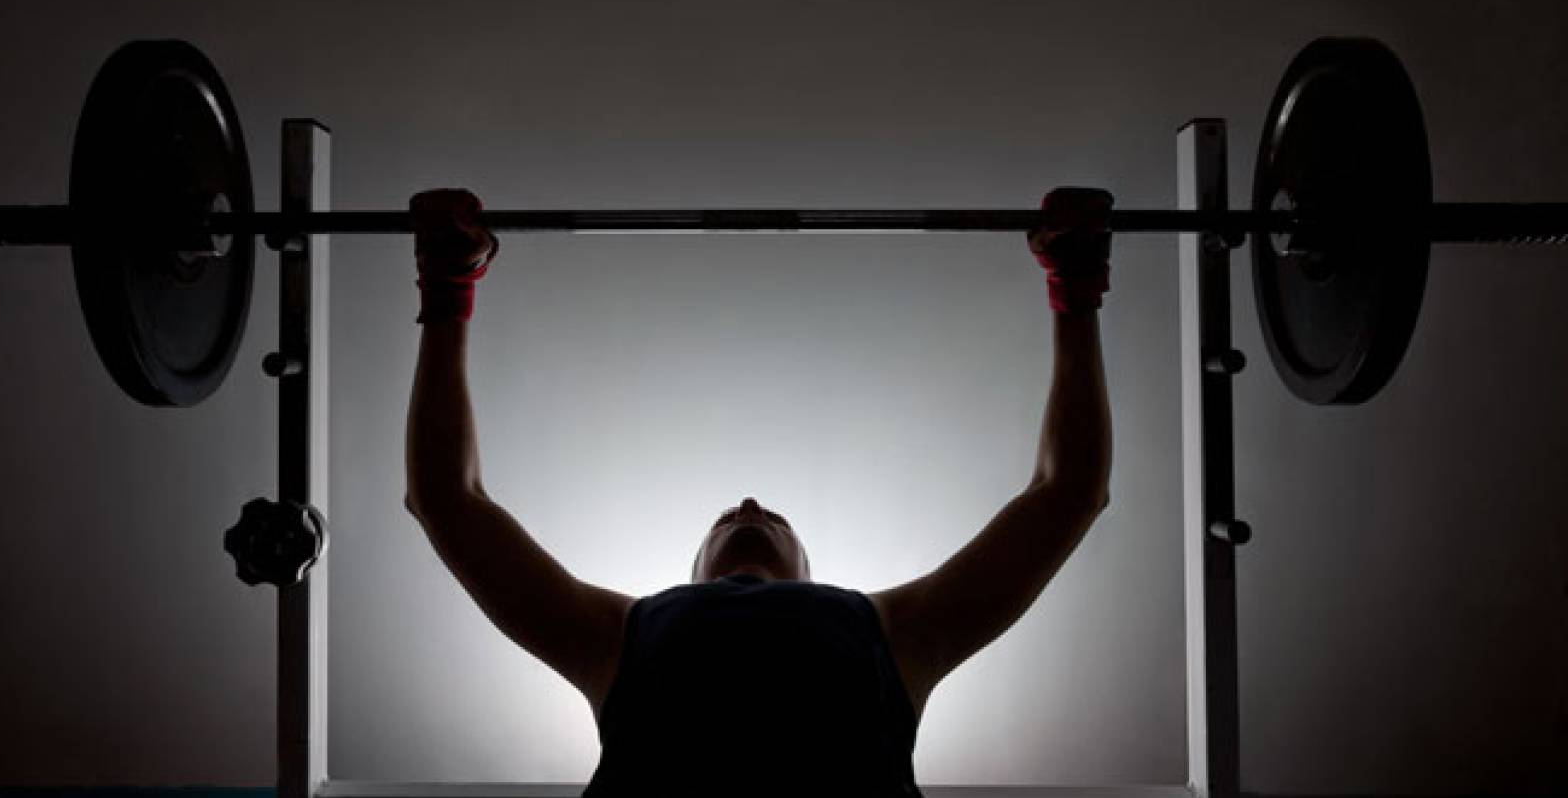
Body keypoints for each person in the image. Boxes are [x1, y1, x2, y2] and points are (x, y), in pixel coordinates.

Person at [404, 187, 1114, 797]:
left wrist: (446, 282)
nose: (747, 503)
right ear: (691, 572)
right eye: (728, 516)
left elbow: (1068, 493)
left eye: (768, 514)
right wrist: (447, 284)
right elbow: (446, 500)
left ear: (810, 572)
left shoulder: (889, 632)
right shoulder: (626, 635)